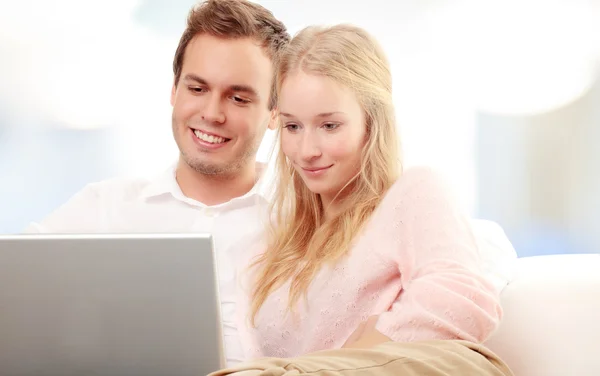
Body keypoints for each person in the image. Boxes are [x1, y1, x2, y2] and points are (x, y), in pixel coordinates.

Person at [209, 24, 514, 375]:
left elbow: (461, 299)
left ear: (372, 123)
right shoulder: (275, 243)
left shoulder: (412, 193)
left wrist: (373, 342)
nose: (307, 151)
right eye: (293, 127)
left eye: (329, 126)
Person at [25, 0, 291, 366]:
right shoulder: (104, 208)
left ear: (276, 111)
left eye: (238, 97)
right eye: (197, 89)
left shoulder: (306, 220)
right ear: (174, 91)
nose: (212, 114)